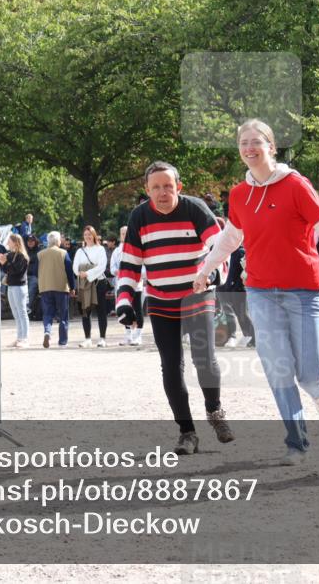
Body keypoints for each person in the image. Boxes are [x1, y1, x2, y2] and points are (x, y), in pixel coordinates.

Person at [195, 120, 319, 464]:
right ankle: (296, 441)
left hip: (304, 292)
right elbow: (231, 238)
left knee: (309, 375)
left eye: (256, 142)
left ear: (271, 146)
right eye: (244, 143)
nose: (249, 148)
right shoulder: (238, 194)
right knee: (279, 368)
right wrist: (205, 270)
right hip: (261, 292)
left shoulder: (296, 185)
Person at [116, 161, 234, 456]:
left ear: (178, 187)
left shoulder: (195, 209)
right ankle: (187, 433)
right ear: (147, 190)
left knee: (204, 359)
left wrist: (213, 274)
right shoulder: (139, 217)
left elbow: (219, 247)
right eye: (155, 187)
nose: (162, 192)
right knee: (171, 366)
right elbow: (129, 262)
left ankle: (215, 411)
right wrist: (125, 300)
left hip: (196, 294)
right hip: (160, 298)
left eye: (168, 186)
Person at [73, 225, 110, 348]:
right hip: (85, 283)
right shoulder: (80, 251)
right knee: (85, 311)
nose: (87, 237)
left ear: (94, 235)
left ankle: (102, 338)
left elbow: (102, 267)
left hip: (98, 283)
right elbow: (75, 266)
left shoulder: (100, 249)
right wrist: (80, 273)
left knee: (101, 311)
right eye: (85, 235)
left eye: (89, 234)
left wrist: (87, 273)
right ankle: (87, 338)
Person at [37, 231, 75, 348]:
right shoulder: (63, 253)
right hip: (61, 287)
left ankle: (47, 331)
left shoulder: (40, 254)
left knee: (48, 313)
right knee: (63, 315)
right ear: (58, 241)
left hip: (45, 287)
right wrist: (72, 287)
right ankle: (62, 342)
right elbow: (69, 271)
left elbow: (35, 271)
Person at [109, 225, 144, 345]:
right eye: (122, 233)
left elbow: (143, 267)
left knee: (137, 309)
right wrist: (117, 272)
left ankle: (138, 335)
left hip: (135, 284)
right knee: (124, 309)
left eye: (127, 233)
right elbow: (112, 268)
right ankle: (128, 335)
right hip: (121, 285)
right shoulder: (116, 251)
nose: (125, 235)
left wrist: (134, 273)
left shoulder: (137, 248)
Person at [0, 233, 31, 348]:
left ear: (16, 242)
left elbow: (17, 271)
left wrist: (5, 262)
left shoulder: (22, 256)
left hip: (19, 287)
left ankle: (25, 338)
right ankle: (19, 338)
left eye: (9, 241)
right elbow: (7, 270)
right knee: (16, 314)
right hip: (11, 286)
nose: (7, 243)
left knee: (22, 312)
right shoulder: (11, 255)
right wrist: (3, 262)